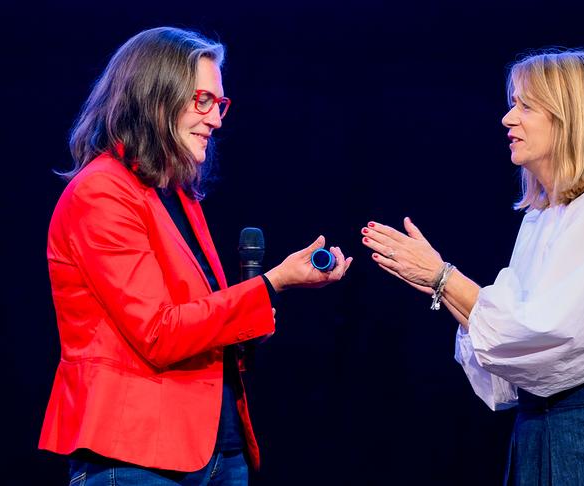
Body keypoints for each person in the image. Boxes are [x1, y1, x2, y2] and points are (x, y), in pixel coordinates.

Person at [39, 26, 352, 485]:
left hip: (215, 452)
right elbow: (160, 332)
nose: (217, 119)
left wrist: (265, 304)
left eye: (219, 104)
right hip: (137, 458)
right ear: (155, 97)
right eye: (203, 100)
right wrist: (272, 283)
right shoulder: (102, 193)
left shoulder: (177, 194)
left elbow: (198, 321)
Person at [361, 49, 584, 485]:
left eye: (525, 105)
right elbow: (509, 349)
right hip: (538, 430)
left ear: (569, 119)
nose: (507, 118)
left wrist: (442, 277)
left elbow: (547, 334)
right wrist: (439, 284)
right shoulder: (541, 220)